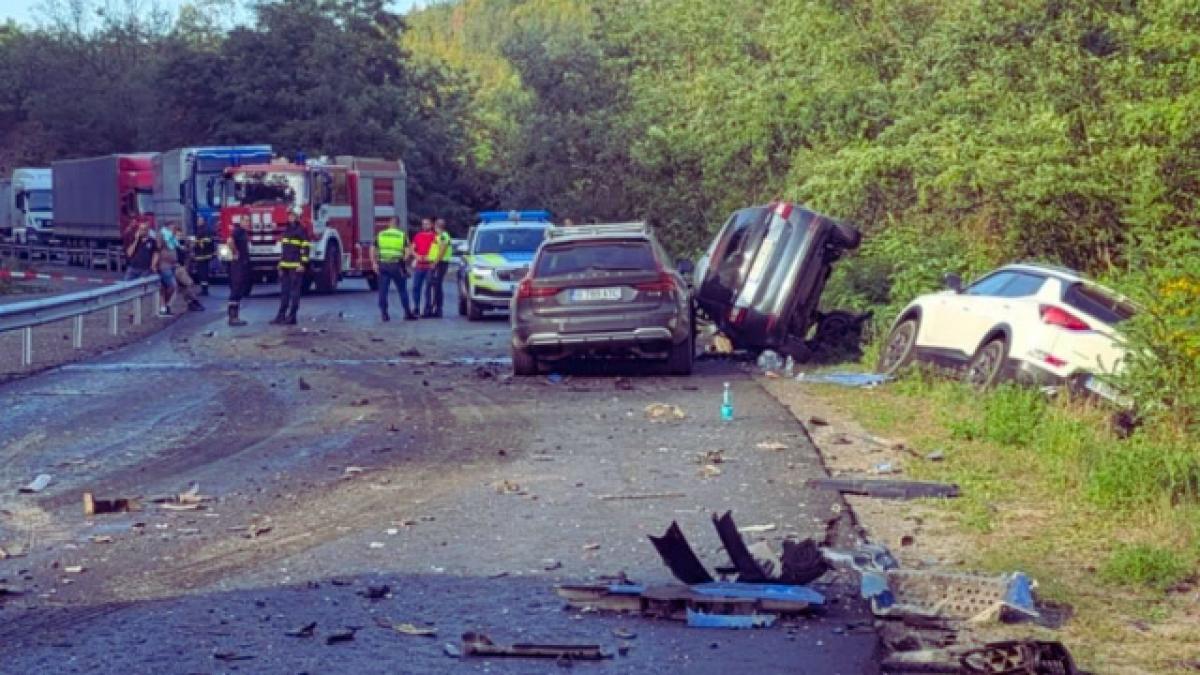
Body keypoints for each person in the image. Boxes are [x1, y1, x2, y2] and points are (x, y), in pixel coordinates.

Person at [372, 217, 415, 321]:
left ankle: (384, 314)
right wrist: (404, 262)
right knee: (402, 290)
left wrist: (374, 262)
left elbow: (373, 249)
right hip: (397, 265)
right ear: (398, 224)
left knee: (383, 291)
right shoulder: (402, 235)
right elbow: (408, 252)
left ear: (389, 223)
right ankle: (407, 312)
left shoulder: (380, 234)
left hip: (383, 265)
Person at [271, 210, 309, 325]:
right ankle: (281, 316)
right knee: (284, 292)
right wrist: (280, 263)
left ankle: (292, 317)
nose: (290, 217)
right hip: (285, 265)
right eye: (289, 215)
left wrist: (302, 264)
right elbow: (284, 249)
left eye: (293, 215)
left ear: (297, 217)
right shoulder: (287, 230)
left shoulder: (301, 230)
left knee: (294, 292)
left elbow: (305, 248)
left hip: (296, 266)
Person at [170, 223, 204, 312]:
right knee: (189, 283)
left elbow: (188, 255)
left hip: (182, 267)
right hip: (177, 268)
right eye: (178, 235)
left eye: (180, 235)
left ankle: (191, 303)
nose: (179, 237)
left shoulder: (181, 244)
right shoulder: (171, 245)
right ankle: (194, 302)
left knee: (184, 287)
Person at [423, 217, 453, 317]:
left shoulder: (443, 236)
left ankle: (435, 309)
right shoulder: (441, 235)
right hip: (438, 263)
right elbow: (437, 250)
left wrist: (435, 262)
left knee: (435, 286)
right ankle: (435, 309)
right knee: (436, 286)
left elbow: (442, 250)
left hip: (439, 264)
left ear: (436, 226)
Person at [227, 215, 251, 326]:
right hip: (237, 265)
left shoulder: (244, 232)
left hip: (243, 264)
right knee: (235, 289)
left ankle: (235, 316)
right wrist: (235, 252)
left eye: (248, 221)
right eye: (245, 221)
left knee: (240, 289)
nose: (247, 223)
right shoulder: (237, 231)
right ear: (241, 222)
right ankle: (232, 317)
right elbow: (229, 241)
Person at [410, 217, 436, 316]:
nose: (425, 226)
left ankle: (427, 309)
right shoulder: (418, 236)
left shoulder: (434, 236)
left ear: (431, 225)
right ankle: (416, 307)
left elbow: (438, 250)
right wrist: (416, 256)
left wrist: (430, 258)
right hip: (419, 266)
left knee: (428, 289)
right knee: (416, 287)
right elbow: (412, 248)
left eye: (427, 224)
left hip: (430, 266)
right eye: (423, 224)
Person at [156, 222, 180, 316]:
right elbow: (158, 247)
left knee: (166, 287)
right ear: (167, 227)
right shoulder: (162, 235)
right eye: (172, 227)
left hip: (172, 265)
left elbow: (175, 247)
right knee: (172, 285)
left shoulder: (172, 238)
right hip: (164, 265)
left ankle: (165, 308)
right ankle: (165, 306)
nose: (174, 229)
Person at [191, 215, 215, 296]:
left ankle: (204, 290)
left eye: (200, 220)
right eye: (198, 220)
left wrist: (196, 241)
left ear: (203, 221)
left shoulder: (205, 230)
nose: (198, 222)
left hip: (203, 255)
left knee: (203, 272)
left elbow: (207, 240)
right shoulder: (201, 229)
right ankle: (204, 288)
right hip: (202, 255)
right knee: (202, 272)